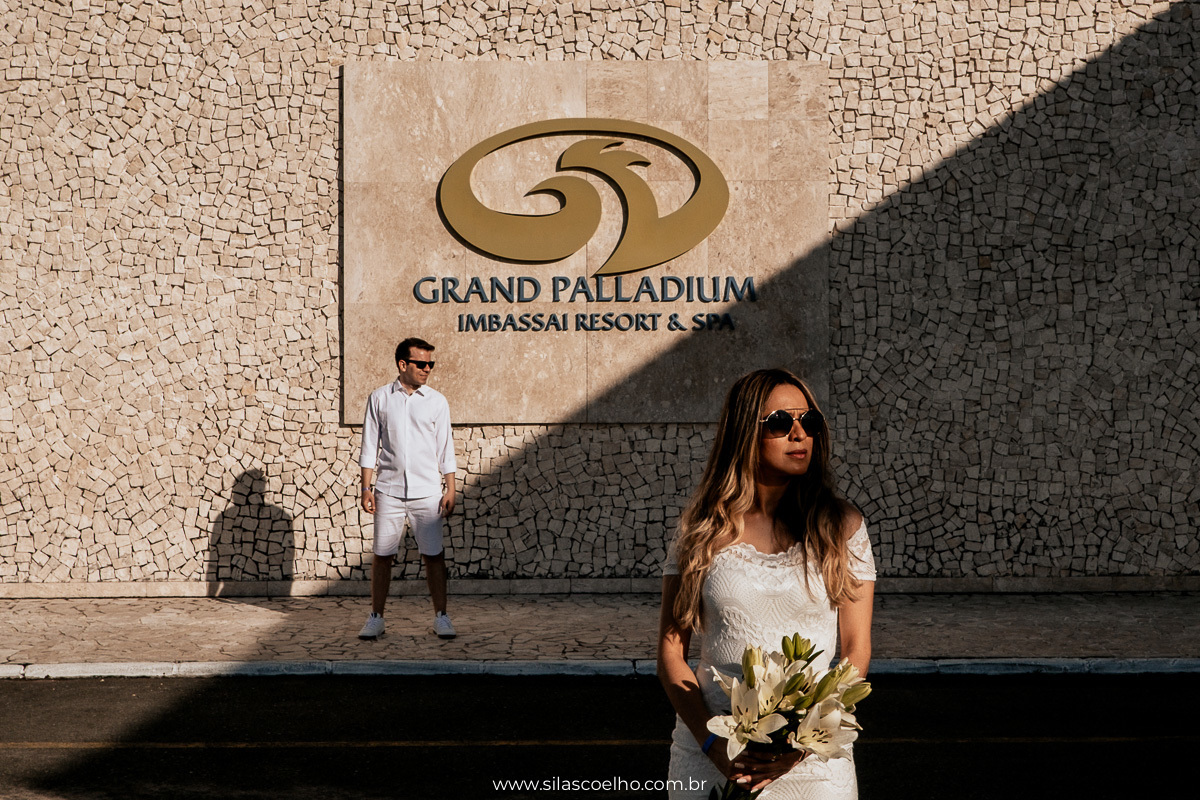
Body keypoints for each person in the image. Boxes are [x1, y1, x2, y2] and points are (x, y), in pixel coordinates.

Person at [657, 368, 876, 799]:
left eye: (808, 422)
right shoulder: (701, 530)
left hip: (813, 764)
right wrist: (712, 745)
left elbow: (855, 651)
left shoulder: (842, 527)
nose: (799, 433)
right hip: (711, 749)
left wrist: (799, 747)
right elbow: (670, 652)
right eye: (780, 422)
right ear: (744, 433)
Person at [358, 338, 458, 641]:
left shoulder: (437, 401)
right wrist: (366, 487)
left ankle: (441, 616)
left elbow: (446, 448)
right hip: (388, 490)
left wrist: (450, 488)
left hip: (427, 492)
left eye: (431, 364)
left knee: (433, 555)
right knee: (382, 554)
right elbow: (369, 445)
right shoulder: (379, 398)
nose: (427, 369)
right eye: (421, 364)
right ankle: (376, 617)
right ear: (403, 365)